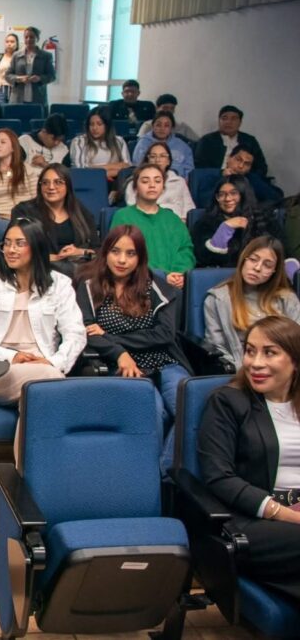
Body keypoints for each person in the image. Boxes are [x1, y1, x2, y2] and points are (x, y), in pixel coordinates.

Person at [197, 315, 300, 609]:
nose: (255, 363)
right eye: (250, 351)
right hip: (251, 521)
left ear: (295, 360)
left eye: (269, 352)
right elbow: (219, 477)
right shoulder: (227, 401)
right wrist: (288, 514)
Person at [76, 224, 192, 466]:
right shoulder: (88, 286)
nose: (122, 260)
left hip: (165, 362)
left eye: (131, 254)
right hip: (122, 365)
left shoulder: (155, 285)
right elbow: (87, 332)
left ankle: (163, 473)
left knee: (190, 410)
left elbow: (164, 334)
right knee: (152, 413)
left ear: (140, 257)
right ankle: (147, 475)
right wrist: (119, 354)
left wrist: (112, 337)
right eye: (116, 251)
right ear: (105, 252)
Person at [0, 218, 86, 405]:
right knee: (49, 385)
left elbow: (75, 333)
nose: (11, 250)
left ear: (37, 246)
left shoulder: (60, 284)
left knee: (39, 393)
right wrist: (11, 356)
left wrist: (54, 362)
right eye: (7, 243)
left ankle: (28, 423)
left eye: (19, 244)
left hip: (44, 365)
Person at [205, 237, 300, 369]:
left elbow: (297, 340)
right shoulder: (218, 299)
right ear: (243, 259)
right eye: (253, 259)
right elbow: (217, 347)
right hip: (243, 369)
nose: (257, 268)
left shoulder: (287, 298)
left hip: (283, 371)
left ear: (274, 271)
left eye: (267, 265)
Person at [111, 163, 195, 288]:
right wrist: (162, 276)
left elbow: (185, 250)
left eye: (157, 181)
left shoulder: (173, 219)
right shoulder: (123, 216)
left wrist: (179, 274)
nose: (152, 185)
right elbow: (121, 255)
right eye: (145, 181)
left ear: (163, 187)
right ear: (135, 187)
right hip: (136, 284)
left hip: (175, 284)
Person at [11, 164, 97, 277]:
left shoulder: (80, 211)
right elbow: (15, 248)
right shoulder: (24, 211)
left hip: (78, 268)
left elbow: (98, 250)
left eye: (58, 182)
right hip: (39, 270)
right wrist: (55, 258)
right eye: (45, 183)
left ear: (68, 186)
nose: (51, 187)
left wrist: (80, 252)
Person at [192, 175, 284, 269]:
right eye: (222, 194)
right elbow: (204, 258)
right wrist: (225, 229)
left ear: (244, 195)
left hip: (258, 272)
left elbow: (278, 252)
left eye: (234, 193)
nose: (227, 199)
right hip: (222, 274)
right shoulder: (205, 223)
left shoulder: (264, 219)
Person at [125, 141, 195, 219]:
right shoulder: (135, 182)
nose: (157, 160)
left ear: (168, 161)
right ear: (148, 160)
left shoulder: (179, 182)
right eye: (153, 156)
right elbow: (132, 208)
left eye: (162, 156)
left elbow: (190, 209)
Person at [194, 105, 269, 178]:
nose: (228, 122)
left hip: (244, 180)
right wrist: (220, 173)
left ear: (240, 122)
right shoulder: (207, 141)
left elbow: (261, 168)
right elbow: (199, 167)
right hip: (214, 180)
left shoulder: (250, 141)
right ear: (219, 121)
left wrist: (245, 177)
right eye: (224, 118)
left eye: (234, 119)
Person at [69, 106, 131, 181]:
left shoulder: (119, 141)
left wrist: (94, 168)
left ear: (107, 125)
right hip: (87, 181)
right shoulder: (79, 141)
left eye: (99, 124)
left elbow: (127, 166)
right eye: (91, 124)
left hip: (115, 181)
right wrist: (111, 171)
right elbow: (80, 170)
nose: (94, 128)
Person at [132, 110, 195, 179]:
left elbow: (190, 171)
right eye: (158, 125)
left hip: (177, 181)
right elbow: (138, 167)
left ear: (172, 128)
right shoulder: (143, 143)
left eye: (166, 125)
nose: (162, 129)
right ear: (153, 126)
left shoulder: (183, 146)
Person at [5, 27, 55, 108]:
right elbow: (7, 75)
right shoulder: (16, 55)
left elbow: (52, 76)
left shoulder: (46, 56)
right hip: (18, 99)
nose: (28, 39)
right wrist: (19, 79)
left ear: (37, 38)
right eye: (26, 37)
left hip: (38, 99)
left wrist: (39, 78)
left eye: (32, 37)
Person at [18, 114, 69, 183]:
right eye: (54, 139)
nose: (57, 143)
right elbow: (15, 168)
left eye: (60, 140)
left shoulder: (63, 149)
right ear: (44, 131)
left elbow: (65, 176)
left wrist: (45, 164)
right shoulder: (24, 141)